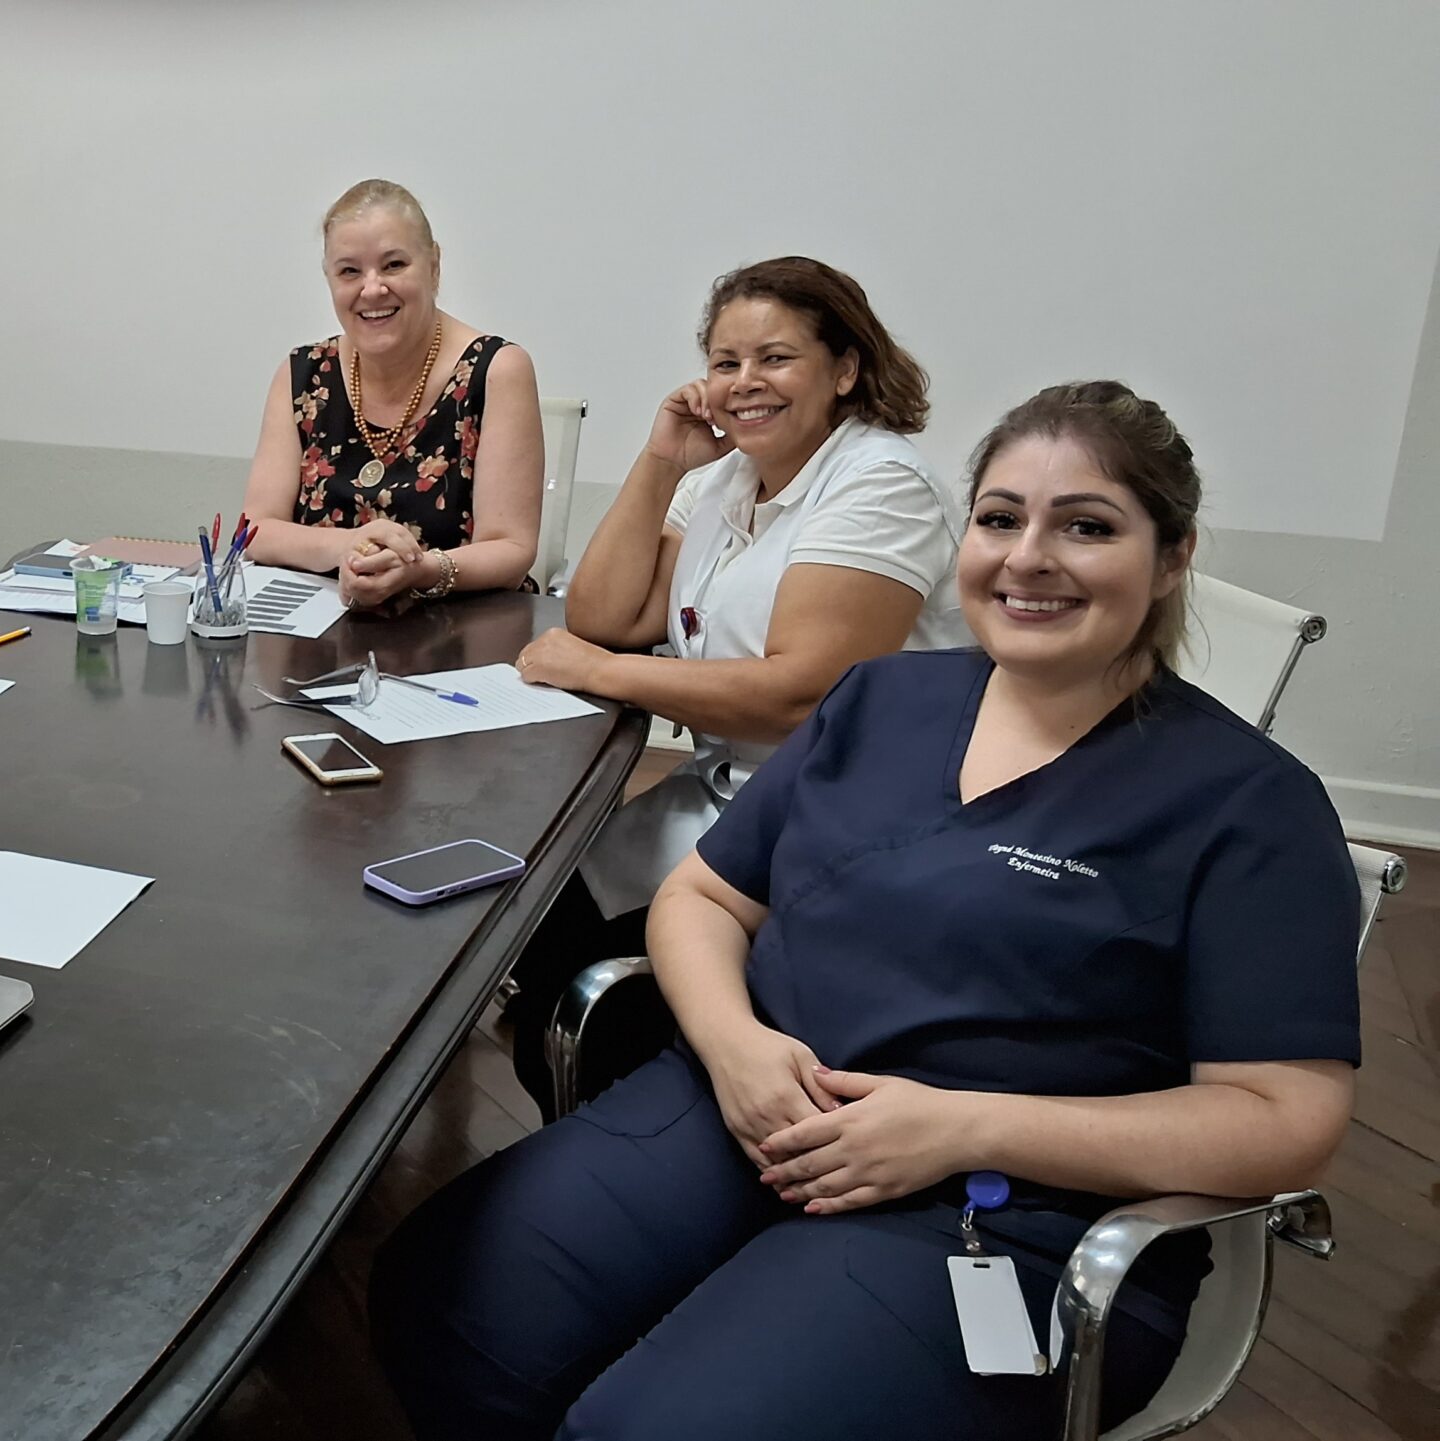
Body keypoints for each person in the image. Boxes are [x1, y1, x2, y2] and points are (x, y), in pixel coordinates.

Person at [371, 381, 1360, 1441]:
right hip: (740, 1115)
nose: (1028, 556)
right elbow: (704, 895)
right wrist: (735, 1044)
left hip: (1004, 1207)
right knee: (437, 1296)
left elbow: (1284, 1119)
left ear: (1170, 557)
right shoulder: (882, 700)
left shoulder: (1246, 804)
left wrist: (961, 1125)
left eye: (1086, 525)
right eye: (999, 518)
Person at [502, 257, 965, 1114]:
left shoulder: (881, 485)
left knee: (589, 977)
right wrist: (659, 462)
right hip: (728, 792)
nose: (745, 383)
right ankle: (599, 1121)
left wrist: (600, 672)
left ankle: (649, 1127)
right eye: (725, 362)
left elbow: (807, 696)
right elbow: (608, 613)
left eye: (775, 358)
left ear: (846, 369)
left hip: (843, 816)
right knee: (524, 904)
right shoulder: (724, 477)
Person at [238, 179, 542, 611]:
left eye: (394, 264)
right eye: (349, 271)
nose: (373, 289)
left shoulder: (497, 370)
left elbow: (511, 549)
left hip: (462, 639)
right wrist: (350, 546)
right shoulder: (301, 373)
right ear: (329, 279)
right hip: (321, 634)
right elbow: (256, 529)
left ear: (434, 265)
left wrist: (420, 570)